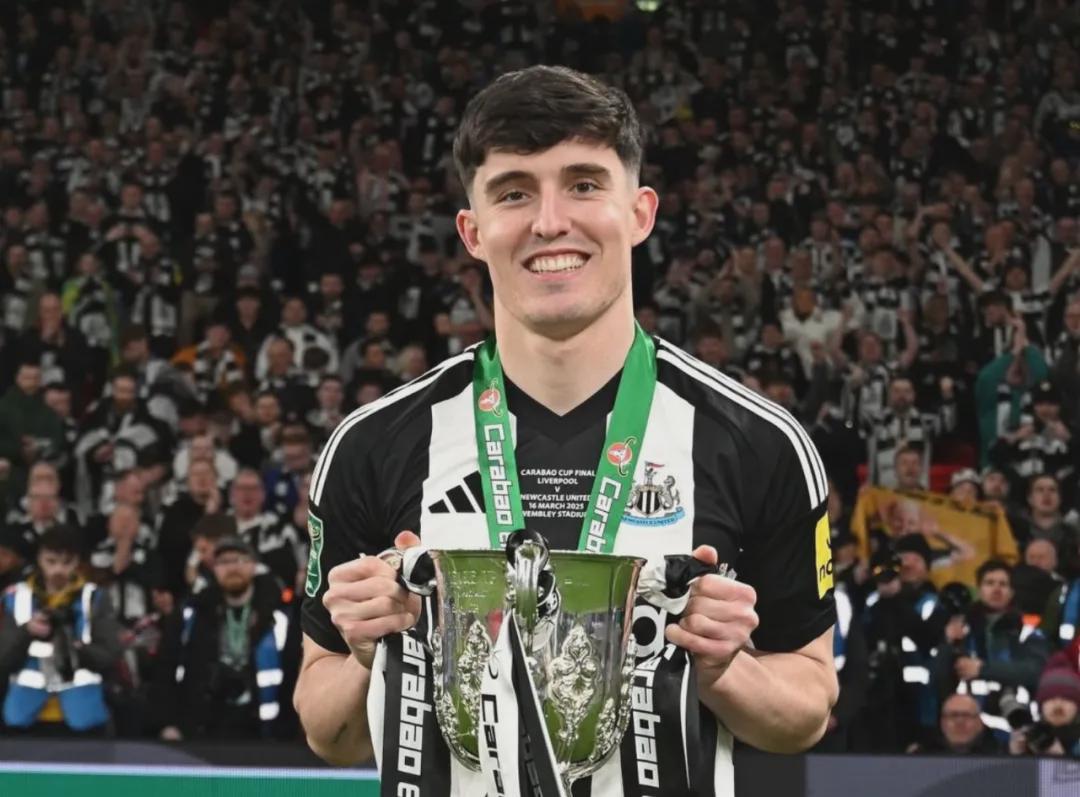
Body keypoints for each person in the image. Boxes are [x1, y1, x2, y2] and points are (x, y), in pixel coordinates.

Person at [295, 66, 837, 794]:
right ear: (472, 231)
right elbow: (325, 730)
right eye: (514, 192)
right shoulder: (371, 444)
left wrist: (724, 668)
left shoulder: (760, 442)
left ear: (639, 213)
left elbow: (808, 708)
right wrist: (368, 652)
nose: (550, 221)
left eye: (583, 184)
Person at [157, 536, 292, 741]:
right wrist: (167, 723)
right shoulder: (192, 613)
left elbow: (292, 672)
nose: (232, 568)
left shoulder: (277, 615)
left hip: (263, 731)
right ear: (214, 569)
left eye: (239, 560)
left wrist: (288, 730)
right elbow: (166, 667)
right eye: (223, 562)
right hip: (203, 728)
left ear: (253, 566)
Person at [0, 525, 122, 734]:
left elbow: (110, 655)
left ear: (77, 562)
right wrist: (27, 632)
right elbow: (2, 658)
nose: (58, 570)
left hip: (82, 715)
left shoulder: (94, 598)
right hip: (24, 716)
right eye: (51, 561)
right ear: (39, 559)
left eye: (67, 562)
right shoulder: (16, 597)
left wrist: (74, 648)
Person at [909, 693, 1003, 755]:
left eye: (966, 715)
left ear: (980, 723)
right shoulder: (922, 755)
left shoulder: (1000, 753)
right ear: (942, 723)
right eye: (953, 715)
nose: (960, 722)